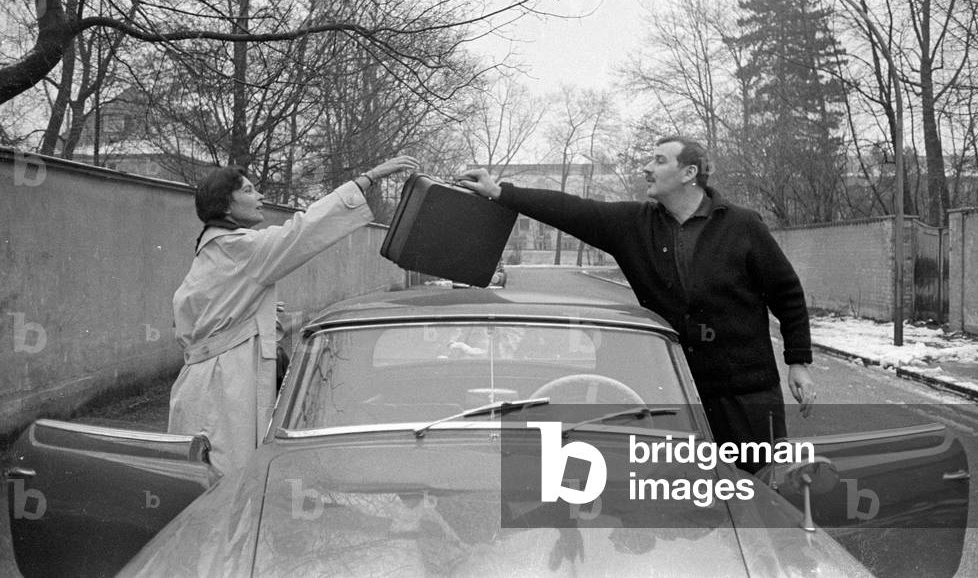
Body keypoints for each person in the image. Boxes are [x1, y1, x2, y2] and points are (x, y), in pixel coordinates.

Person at [458, 138, 815, 471]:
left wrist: (797, 361)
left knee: (756, 486)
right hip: (674, 391)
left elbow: (786, 292)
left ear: (689, 173)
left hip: (745, 394)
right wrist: (500, 192)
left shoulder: (742, 225)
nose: (646, 168)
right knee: (675, 487)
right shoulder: (635, 225)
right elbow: (571, 210)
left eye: (659, 161)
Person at [168, 155, 418, 474]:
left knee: (210, 471)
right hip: (224, 386)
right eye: (248, 191)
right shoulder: (241, 248)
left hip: (204, 383)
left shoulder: (214, 248)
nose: (260, 196)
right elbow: (303, 231)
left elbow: (206, 316)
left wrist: (258, 314)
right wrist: (367, 178)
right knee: (230, 477)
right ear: (225, 205)